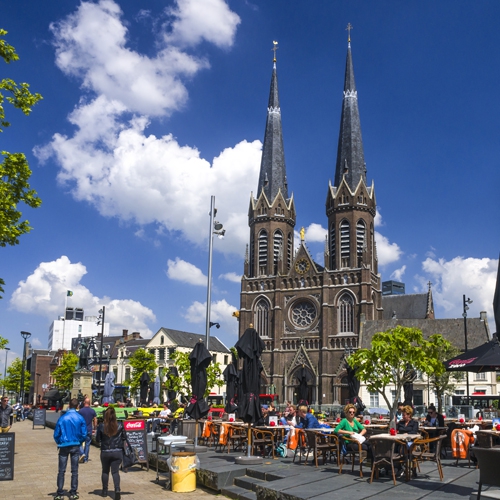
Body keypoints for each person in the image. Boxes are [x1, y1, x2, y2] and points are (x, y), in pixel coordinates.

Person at [53, 398, 87, 500]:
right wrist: (79, 442)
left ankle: (60, 493)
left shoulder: (62, 418)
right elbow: (84, 434)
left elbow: (56, 434)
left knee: (61, 470)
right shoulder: (80, 418)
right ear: (77, 406)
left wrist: (60, 442)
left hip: (64, 445)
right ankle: (73, 492)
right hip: (75, 445)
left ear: (69, 405)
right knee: (75, 470)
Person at [96, 407, 126, 500]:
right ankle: (117, 489)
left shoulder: (101, 426)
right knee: (115, 472)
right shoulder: (120, 425)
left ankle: (104, 491)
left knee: (105, 471)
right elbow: (124, 437)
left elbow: (97, 439)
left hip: (105, 451)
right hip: (117, 451)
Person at [78, 397, 97, 463]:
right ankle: (85, 459)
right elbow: (95, 420)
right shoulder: (92, 411)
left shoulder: (80, 411)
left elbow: (78, 421)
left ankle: (82, 453)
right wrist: (95, 428)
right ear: (89, 403)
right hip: (89, 429)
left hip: (81, 430)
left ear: (84, 402)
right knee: (87, 444)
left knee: (79, 443)